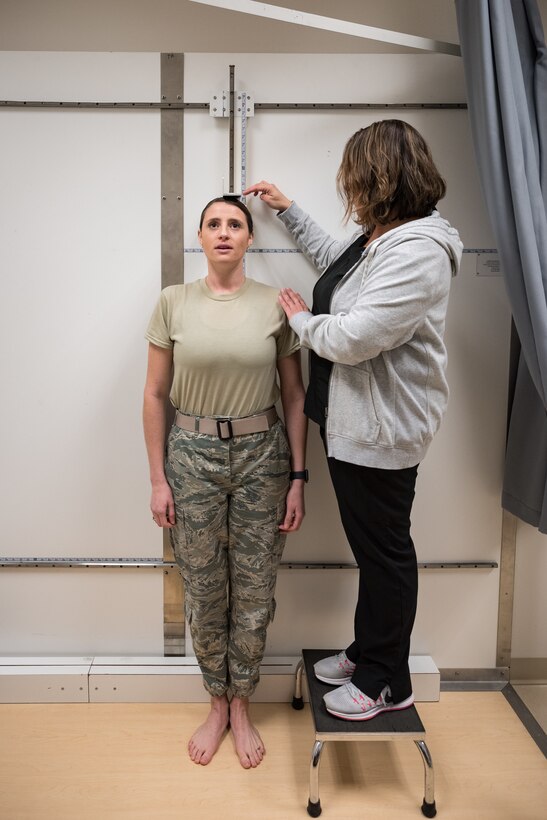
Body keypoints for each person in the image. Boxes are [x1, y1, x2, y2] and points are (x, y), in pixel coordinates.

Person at [244, 119, 463, 722]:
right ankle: (370, 650)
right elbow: (335, 267)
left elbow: (354, 336)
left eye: (356, 180)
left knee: (385, 554)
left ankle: (387, 679)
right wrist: (289, 212)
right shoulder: (382, 237)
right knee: (374, 551)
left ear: (381, 179)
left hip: (381, 433)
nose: (350, 192)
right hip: (351, 422)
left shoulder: (418, 251)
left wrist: (298, 321)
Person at [143, 196, 307, 765]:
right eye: (213, 224)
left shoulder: (273, 306)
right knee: (205, 587)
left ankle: (243, 703)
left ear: (248, 239)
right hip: (189, 457)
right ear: (200, 234)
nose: (223, 233)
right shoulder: (173, 302)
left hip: (264, 457)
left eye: (235, 224)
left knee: (256, 589)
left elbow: (293, 395)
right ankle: (216, 701)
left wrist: (299, 478)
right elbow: (155, 394)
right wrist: (158, 478)